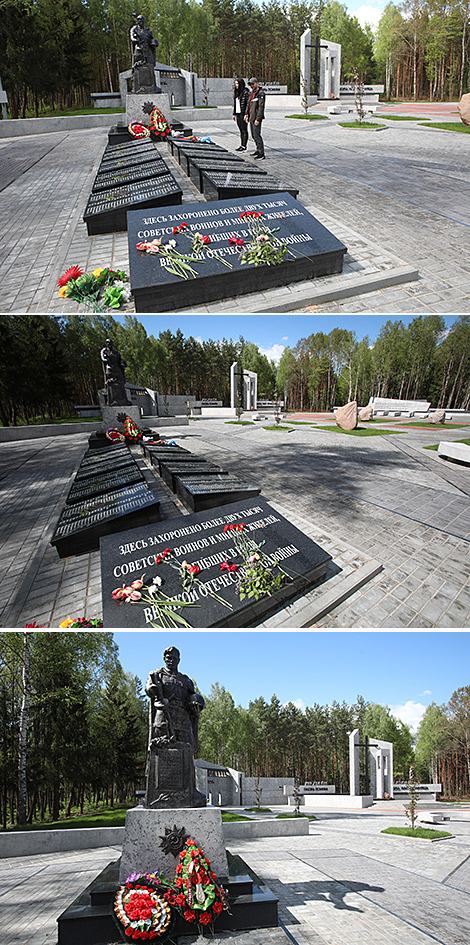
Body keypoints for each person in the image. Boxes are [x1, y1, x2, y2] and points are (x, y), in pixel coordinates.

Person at [145, 646, 205, 751]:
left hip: (183, 722)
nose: (171, 661)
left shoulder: (186, 681)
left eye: (174, 658)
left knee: (186, 751)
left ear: (179, 660)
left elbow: (193, 701)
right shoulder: (157, 675)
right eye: (168, 658)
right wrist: (153, 689)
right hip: (163, 719)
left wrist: (196, 710)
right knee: (161, 750)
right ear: (164, 659)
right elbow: (149, 690)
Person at [100, 339, 130, 406]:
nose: (109, 344)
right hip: (110, 369)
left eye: (110, 343)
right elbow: (103, 358)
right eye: (107, 343)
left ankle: (123, 400)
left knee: (121, 382)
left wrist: (123, 363)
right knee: (112, 384)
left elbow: (120, 360)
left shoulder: (116, 353)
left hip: (117, 369)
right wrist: (105, 359)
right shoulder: (104, 351)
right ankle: (113, 401)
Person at [245, 76, 265, 159]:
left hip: (256, 118)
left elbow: (261, 107)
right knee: (253, 135)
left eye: (253, 84)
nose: (251, 86)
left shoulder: (260, 93)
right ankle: (258, 149)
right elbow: (248, 105)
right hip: (251, 117)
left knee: (257, 135)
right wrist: (246, 114)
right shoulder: (251, 93)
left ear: (257, 83)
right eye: (250, 84)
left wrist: (258, 119)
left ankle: (261, 153)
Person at [232, 78, 250, 151]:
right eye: (235, 84)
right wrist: (234, 114)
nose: (236, 85)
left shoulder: (246, 92)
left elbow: (247, 104)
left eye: (237, 84)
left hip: (243, 114)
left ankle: (244, 146)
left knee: (244, 130)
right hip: (238, 113)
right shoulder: (236, 92)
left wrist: (246, 114)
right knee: (240, 130)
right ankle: (242, 145)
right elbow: (235, 104)